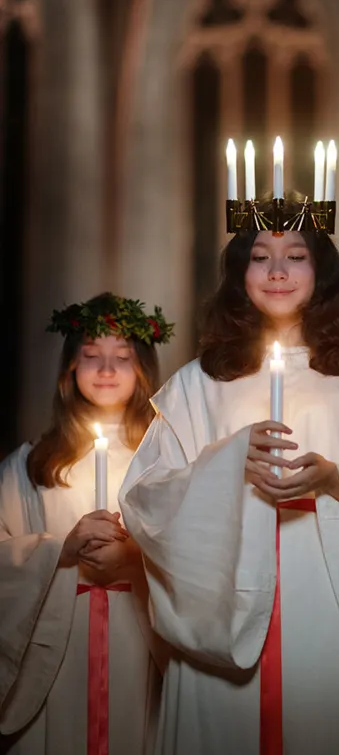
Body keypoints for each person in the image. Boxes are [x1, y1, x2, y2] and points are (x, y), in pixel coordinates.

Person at [119, 202, 339, 755]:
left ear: (321, 270)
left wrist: (338, 482)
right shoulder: (198, 384)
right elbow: (143, 499)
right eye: (260, 257)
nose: (277, 271)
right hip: (222, 610)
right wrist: (226, 464)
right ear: (239, 274)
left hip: (332, 606)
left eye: (295, 256)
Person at [0, 293, 174, 755]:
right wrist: (61, 547)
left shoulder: (163, 461)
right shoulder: (31, 466)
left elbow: (194, 552)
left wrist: (133, 557)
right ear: (68, 370)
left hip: (138, 641)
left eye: (123, 358)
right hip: (58, 642)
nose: (106, 369)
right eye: (91, 356)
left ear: (143, 372)